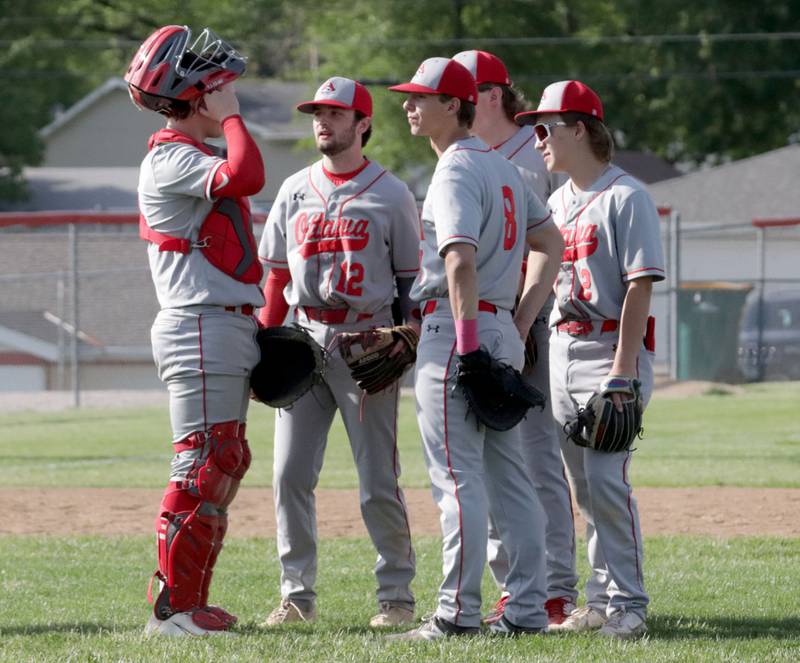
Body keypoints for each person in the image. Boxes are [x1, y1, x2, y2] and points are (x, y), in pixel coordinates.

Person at [386, 57, 564, 640]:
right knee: (510, 479)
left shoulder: (455, 170)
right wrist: (518, 320)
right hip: (499, 331)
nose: (410, 104)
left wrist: (467, 347)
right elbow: (549, 241)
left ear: (455, 105)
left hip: (456, 332)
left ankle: (456, 615)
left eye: (422, 97)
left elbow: (457, 258)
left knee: (456, 480)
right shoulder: (505, 170)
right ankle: (529, 610)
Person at [257, 77, 419, 629]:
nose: (322, 121)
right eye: (316, 113)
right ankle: (296, 596)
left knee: (377, 477)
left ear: (363, 123)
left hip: (366, 341)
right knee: (288, 476)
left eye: (335, 113)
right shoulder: (293, 189)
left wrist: (407, 336)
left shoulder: (391, 193)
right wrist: (265, 341)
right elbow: (276, 275)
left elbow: (409, 282)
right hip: (302, 340)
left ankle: (395, 597)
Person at [124, 25, 265, 636]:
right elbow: (249, 174)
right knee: (201, 464)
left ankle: (191, 600)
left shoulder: (186, 154)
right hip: (198, 324)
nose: (225, 92)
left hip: (220, 324)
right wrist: (232, 118)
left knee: (223, 459)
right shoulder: (171, 156)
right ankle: (172, 609)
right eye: (215, 86)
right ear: (194, 95)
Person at [515, 80, 665, 640]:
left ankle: (630, 604)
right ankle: (600, 601)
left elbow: (640, 287)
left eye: (546, 128)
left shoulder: (628, 196)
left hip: (608, 349)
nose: (537, 140)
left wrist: (623, 371)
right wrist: (520, 329)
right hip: (562, 346)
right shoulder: (556, 201)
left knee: (606, 481)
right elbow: (542, 276)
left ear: (580, 127)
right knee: (580, 486)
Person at [451, 49, 578, 628]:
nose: (453, 97)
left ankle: (556, 588)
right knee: (492, 455)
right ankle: (514, 588)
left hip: (539, 317)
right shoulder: (464, 156)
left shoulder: (536, 151)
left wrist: (528, 318)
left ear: (492, 94)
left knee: (539, 457)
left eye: (464, 88)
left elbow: (552, 242)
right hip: (495, 321)